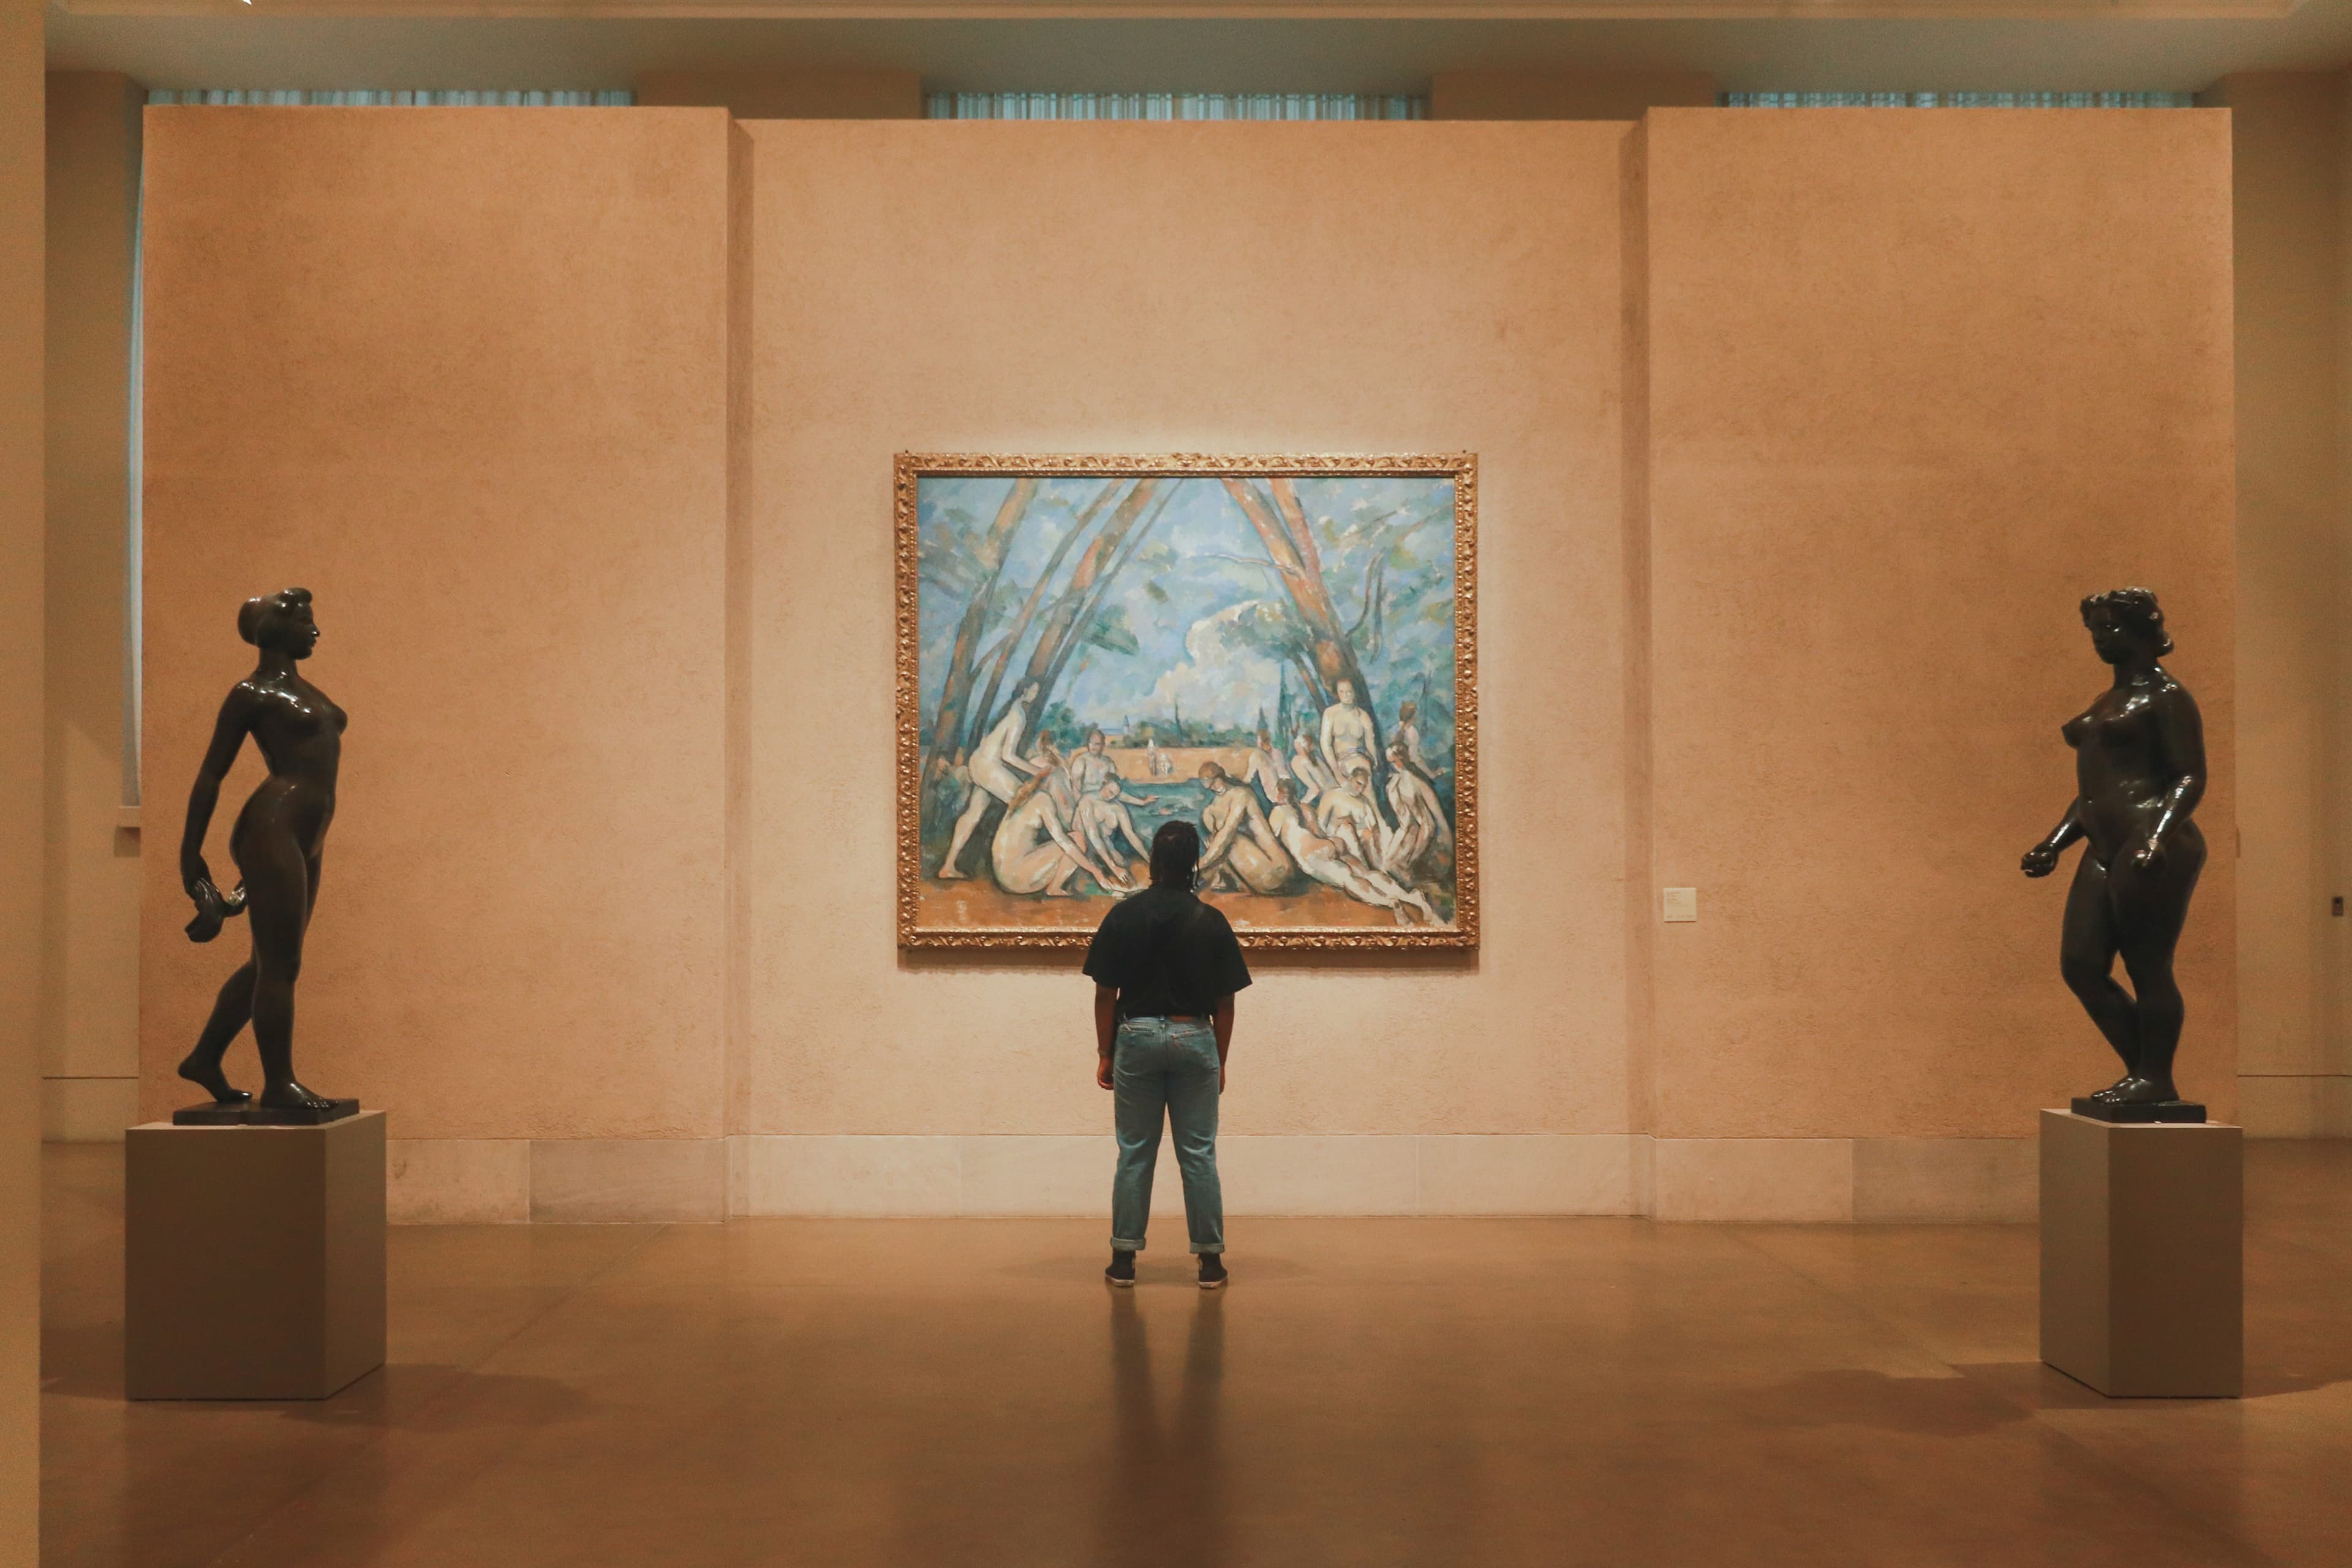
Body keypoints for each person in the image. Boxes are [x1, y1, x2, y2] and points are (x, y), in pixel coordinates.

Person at [2022, 587, 2207, 1110]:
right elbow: (2095, 792)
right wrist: (2054, 843)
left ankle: (2154, 1079)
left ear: (2144, 630)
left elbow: (2191, 776)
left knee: (2148, 965)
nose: (2102, 639)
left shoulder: (2168, 698)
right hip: (2105, 843)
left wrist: (2157, 835)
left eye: (2111, 628)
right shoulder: (2108, 701)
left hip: (2151, 842)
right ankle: (2147, 1076)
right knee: (2081, 965)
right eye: (2096, 630)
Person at [176, 587, 346, 1115]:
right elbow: (211, 775)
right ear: (276, 628)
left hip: (305, 832)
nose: (315, 631)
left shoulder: (308, 690)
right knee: (282, 963)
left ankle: (204, 1058)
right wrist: (191, 856)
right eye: (307, 622)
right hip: (272, 825)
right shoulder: (250, 694)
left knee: (267, 962)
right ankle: (280, 1084)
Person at [1085, 822, 1251, 1290]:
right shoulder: (1211, 921)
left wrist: (1104, 1052)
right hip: (1193, 1035)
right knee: (1198, 1153)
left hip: (1134, 1037)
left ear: (1154, 862)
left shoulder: (1123, 916)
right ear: (1194, 863)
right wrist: (1219, 1059)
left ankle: (1123, 1259)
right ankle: (1210, 1261)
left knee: (1135, 1152)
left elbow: (1104, 993)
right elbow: (1226, 1002)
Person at [1268, 779, 1438, 925]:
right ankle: (1413, 898)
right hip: (1332, 843)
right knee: (1366, 872)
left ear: (1280, 794)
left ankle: (1389, 902)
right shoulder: (1306, 808)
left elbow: (1273, 844)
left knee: (1348, 879)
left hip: (1312, 854)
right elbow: (1320, 833)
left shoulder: (1277, 812)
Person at [939, 682, 1043, 880]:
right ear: (1025, 691)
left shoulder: (1008, 709)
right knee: (1024, 802)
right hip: (989, 767)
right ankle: (1012, 868)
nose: (1037, 695)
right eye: (1035, 691)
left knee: (973, 815)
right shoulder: (1018, 715)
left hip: (977, 762)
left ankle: (948, 866)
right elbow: (1008, 756)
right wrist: (1038, 771)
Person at [990, 771, 1115, 897]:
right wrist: (1095, 871)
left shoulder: (1024, 794)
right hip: (1016, 879)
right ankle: (1054, 888)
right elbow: (1064, 842)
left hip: (1003, 876)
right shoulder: (1043, 799)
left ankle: (1054, 886)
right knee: (1077, 841)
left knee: (1073, 839)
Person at [1196, 762, 1295, 895]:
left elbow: (1227, 834)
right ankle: (1216, 877)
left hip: (1275, 870)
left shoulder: (1242, 794)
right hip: (1258, 870)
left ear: (1221, 776)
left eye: (1214, 782)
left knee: (1225, 838)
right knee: (1211, 821)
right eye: (1208, 785)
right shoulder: (1214, 805)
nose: (1213, 788)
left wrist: (1201, 863)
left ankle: (1205, 877)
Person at [1381, 735, 1451, 883]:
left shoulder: (1417, 780)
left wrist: (1412, 859)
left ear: (1401, 759)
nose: (1393, 766)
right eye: (1391, 763)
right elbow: (1405, 822)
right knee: (1387, 864)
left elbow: (1431, 821)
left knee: (1394, 867)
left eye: (1395, 762)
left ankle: (1408, 868)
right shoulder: (1393, 784)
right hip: (1408, 832)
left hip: (1423, 834)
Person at [1075, 778, 1152, 890]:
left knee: (1124, 868)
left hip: (1107, 846)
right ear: (1103, 784)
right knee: (1105, 874)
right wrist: (1113, 867)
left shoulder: (1118, 808)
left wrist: (1147, 857)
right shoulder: (1087, 800)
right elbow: (1093, 836)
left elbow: (1130, 835)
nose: (1110, 796)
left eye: (1115, 795)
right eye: (1110, 791)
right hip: (1085, 845)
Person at [1315, 758, 1388, 871]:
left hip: (1360, 841)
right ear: (1350, 779)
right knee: (1347, 828)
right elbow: (1320, 824)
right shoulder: (1333, 795)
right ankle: (1364, 870)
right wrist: (1340, 822)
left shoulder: (1364, 802)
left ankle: (1380, 869)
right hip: (1337, 838)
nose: (1361, 789)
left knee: (1368, 834)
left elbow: (1374, 826)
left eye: (1364, 786)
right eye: (1358, 783)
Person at [1319, 679, 1377, 782]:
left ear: (1354, 692)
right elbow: (1325, 744)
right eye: (1342, 692)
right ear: (1337, 692)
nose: (1345, 695)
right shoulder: (1330, 713)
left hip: (1361, 758)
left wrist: (1375, 763)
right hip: (1340, 762)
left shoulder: (1363, 716)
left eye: (1349, 692)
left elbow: (1370, 743)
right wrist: (1336, 771)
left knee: (1364, 771)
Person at [1287, 729, 1334, 807]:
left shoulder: (1297, 761)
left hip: (1326, 800)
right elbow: (1332, 781)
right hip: (1334, 794)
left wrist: (1301, 805)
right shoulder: (1316, 758)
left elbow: (1315, 789)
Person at [1243, 728, 1287, 806]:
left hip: (1272, 798)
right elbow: (1283, 774)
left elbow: (1248, 778)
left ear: (1259, 741)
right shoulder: (1278, 753)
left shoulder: (1257, 755)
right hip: (1285, 795)